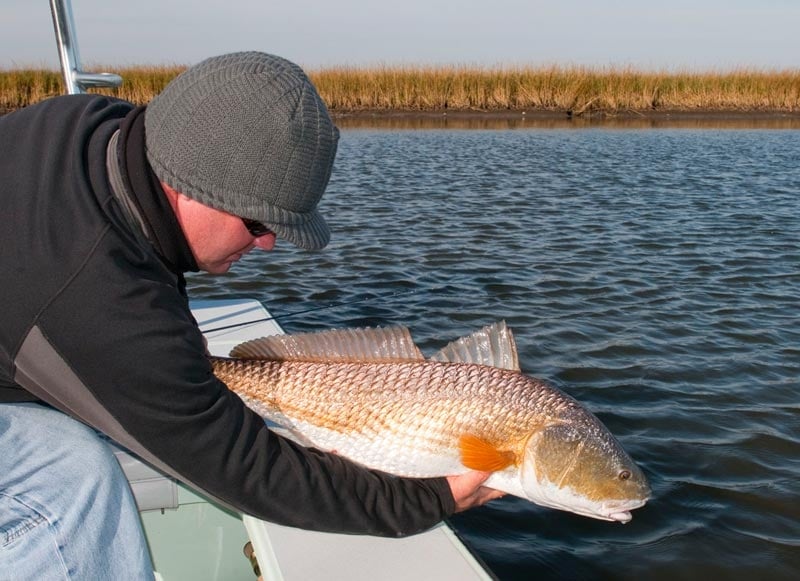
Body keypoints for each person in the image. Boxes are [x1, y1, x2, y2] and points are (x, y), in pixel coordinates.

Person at [0, 52, 501, 579]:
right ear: (190, 184)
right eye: (260, 223)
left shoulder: (85, 123)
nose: (266, 246)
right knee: (75, 485)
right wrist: (432, 498)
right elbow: (247, 468)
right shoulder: (99, 297)